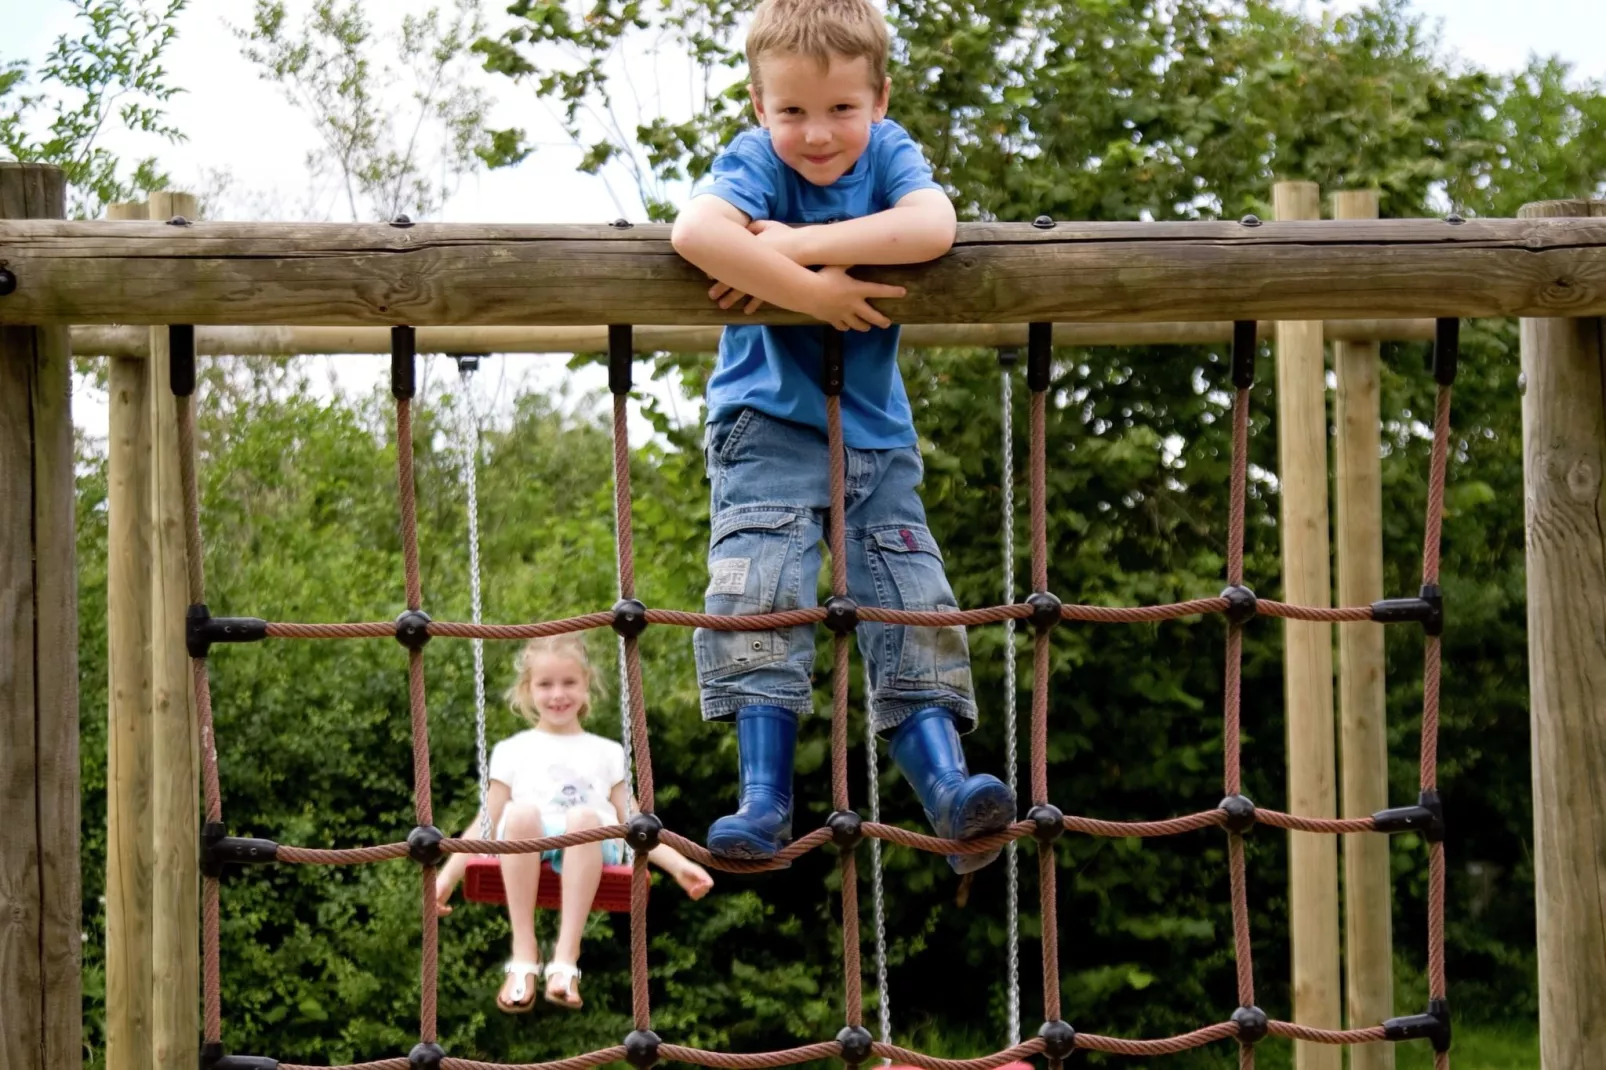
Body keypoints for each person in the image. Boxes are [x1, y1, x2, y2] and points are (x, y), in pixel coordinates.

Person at [669, 0, 1014, 874]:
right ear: (759, 107)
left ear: (879, 99)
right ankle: (763, 800)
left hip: (874, 432)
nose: (817, 134)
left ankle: (948, 788)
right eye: (791, 112)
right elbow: (695, 233)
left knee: (909, 588)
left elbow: (932, 227)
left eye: (840, 110)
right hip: (765, 424)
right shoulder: (753, 162)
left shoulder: (889, 154)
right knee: (763, 590)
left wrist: (801, 248)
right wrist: (816, 294)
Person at [434, 635, 713, 1013]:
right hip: (524, 840)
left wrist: (681, 866)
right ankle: (523, 954)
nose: (557, 694)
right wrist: (445, 880)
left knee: (583, 817)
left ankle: (566, 958)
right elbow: (485, 821)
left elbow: (636, 824)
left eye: (569, 683)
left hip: (589, 842)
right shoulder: (512, 750)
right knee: (519, 812)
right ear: (527, 690)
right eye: (545, 684)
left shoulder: (607, 752)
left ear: (586, 686)